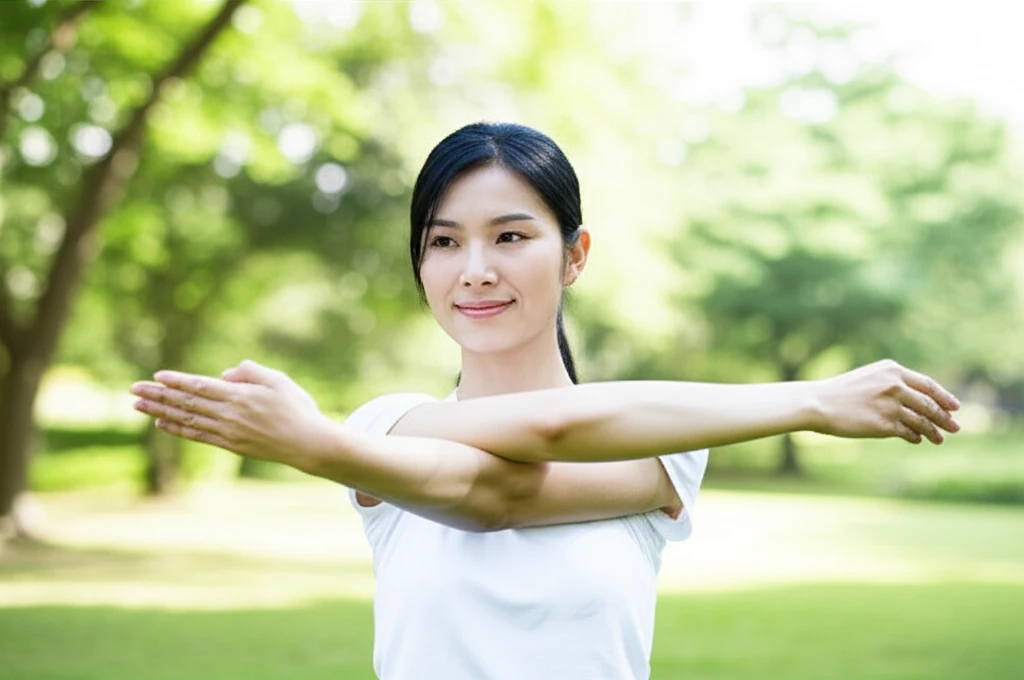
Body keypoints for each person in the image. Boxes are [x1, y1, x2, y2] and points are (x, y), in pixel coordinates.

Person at [130, 122, 961, 680]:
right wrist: (318, 443)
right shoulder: (383, 426)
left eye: (511, 235)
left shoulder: (665, 443)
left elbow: (528, 464)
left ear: (574, 255)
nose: (475, 270)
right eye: (444, 242)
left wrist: (306, 444)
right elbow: (480, 490)